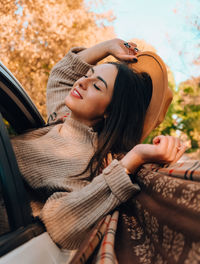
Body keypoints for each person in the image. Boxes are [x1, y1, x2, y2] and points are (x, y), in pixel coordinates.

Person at [11, 38, 186, 249]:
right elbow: (63, 74)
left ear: (110, 111)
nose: (81, 82)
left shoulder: (86, 162)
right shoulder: (64, 118)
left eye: (96, 86)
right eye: (87, 75)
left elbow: (62, 223)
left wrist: (135, 157)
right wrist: (107, 48)